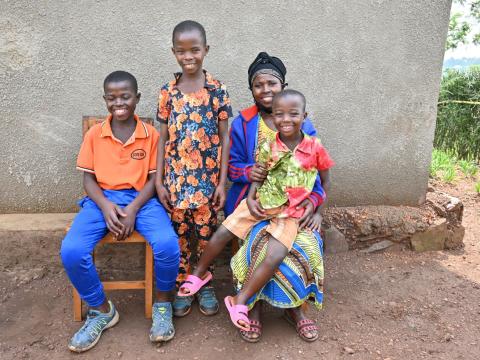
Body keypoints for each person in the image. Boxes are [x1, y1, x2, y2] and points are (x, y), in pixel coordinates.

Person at [178, 89, 334, 336]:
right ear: (273, 115)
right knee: (224, 231)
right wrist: (250, 200)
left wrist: (317, 211)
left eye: (293, 114)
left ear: (305, 116)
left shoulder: (315, 147)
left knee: (274, 254)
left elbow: (324, 183)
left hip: (290, 213)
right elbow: (258, 177)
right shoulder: (269, 145)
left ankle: (240, 301)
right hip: (262, 202)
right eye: (279, 114)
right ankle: (200, 273)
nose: (286, 119)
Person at [60, 71, 180, 352]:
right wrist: (106, 206)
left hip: (143, 200)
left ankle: (162, 303)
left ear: (136, 98)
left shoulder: (150, 135)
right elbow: (88, 179)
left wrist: (133, 209)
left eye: (125, 96)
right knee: (72, 250)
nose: (119, 103)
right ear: (105, 100)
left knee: (168, 245)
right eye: (112, 98)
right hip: (101, 200)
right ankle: (101, 309)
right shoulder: (94, 134)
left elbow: (154, 179)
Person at [155, 20, 232, 318]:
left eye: (195, 50)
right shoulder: (167, 92)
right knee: (179, 236)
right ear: (174, 52)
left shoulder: (217, 90)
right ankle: (183, 285)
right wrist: (160, 182)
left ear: (206, 50)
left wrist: (222, 183)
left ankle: (206, 283)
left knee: (205, 235)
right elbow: (162, 139)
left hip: (208, 183)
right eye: (181, 51)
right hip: (175, 183)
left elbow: (225, 138)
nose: (189, 57)